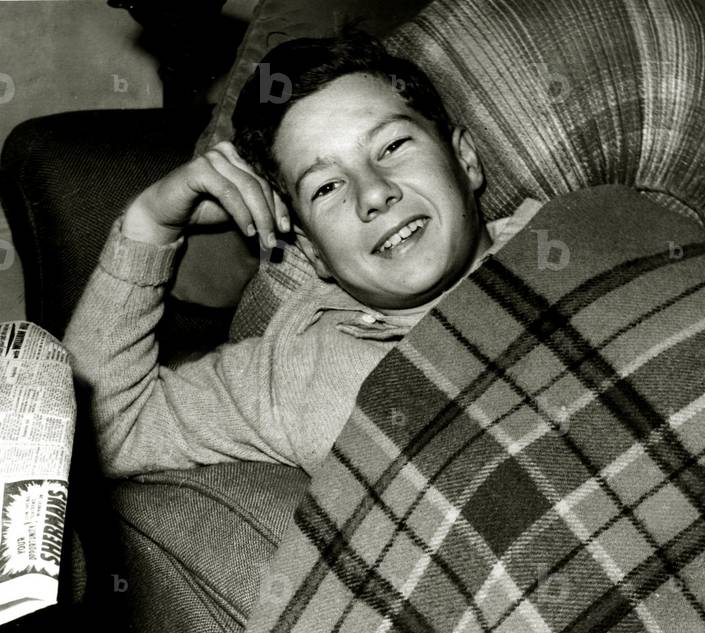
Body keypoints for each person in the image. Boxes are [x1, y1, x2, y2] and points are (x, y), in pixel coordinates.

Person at [63, 28, 541, 478]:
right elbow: (96, 431)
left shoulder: (574, 236)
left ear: (466, 160)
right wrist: (152, 221)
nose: (373, 194)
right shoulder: (295, 368)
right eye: (327, 187)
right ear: (312, 251)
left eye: (392, 145)